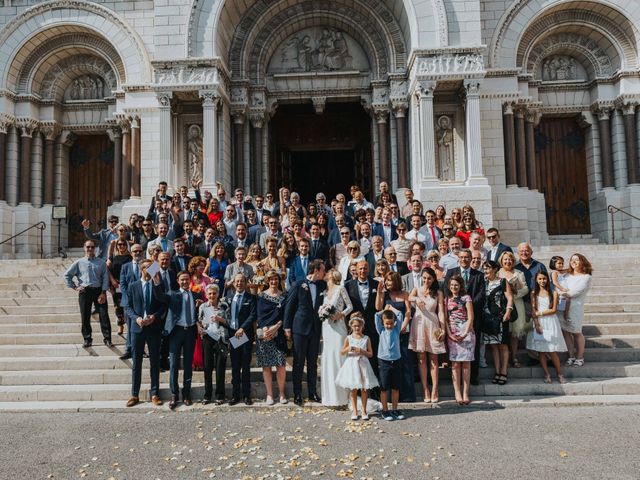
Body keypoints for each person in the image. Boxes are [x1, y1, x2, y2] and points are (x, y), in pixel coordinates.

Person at [153, 270, 200, 410]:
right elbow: (159, 296)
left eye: (187, 279)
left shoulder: (196, 295)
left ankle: (186, 393)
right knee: (173, 364)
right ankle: (174, 394)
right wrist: (156, 282)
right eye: (182, 280)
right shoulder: (173, 294)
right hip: (176, 332)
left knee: (187, 365)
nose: (185, 282)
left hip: (190, 332)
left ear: (190, 280)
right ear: (178, 281)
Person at [284, 259, 327, 406]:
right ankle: (297, 394)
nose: (324, 273)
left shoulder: (322, 285)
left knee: (313, 363)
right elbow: (289, 306)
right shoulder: (298, 284)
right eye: (323, 270)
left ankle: (312, 392)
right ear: (316, 270)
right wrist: (287, 327)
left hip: (315, 329)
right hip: (300, 329)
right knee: (298, 362)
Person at [124, 260, 165, 407]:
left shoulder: (157, 284)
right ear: (142, 269)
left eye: (153, 267)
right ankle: (135, 394)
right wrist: (137, 318)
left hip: (153, 327)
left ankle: (155, 393)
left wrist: (154, 316)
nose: (152, 269)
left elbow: (163, 303)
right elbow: (127, 306)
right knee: (137, 363)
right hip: (138, 328)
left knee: (155, 362)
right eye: (149, 267)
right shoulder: (133, 286)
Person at [444, 249, 485, 385]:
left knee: (473, 347)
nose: (464, 259)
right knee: (455, 349)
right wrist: (459, 305)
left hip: (473, 317)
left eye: (467, 257)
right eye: (462, 257)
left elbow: (481, 294)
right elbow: (446, 291)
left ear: (470, 258)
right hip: (454, 319)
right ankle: (457, 380)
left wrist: (468, 304)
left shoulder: (478, 275)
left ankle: (473, 377)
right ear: (458, 258)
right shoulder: (451, 272)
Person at [63, 240, 112, 348]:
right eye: (88, 247)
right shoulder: (79, 262)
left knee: (104, 315)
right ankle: (87, 339)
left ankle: (107, 339)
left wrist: (103, 292)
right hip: (85, 291)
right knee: (85, 316)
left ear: (95, 248)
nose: (90, 249)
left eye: (92, 247)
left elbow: (105, 279)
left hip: (99, 291)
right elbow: (67, 275)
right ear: (84, 248)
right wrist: (75, 287)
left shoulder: (101, 262)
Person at [375, 271, 415, 402]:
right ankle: (390, 398)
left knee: (405, 362)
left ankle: (407, 396)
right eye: (386, 280)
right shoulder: (385, 294)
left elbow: (408, 312)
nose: (387, 283)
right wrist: (380, 293)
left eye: (389, 280)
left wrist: (404, 325)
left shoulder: (405, 294)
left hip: (402, 332)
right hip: (388, 335)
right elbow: (378, 308)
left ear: (396, 281)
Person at [408, 268, 446, 403]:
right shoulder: (416, 289)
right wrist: (417, 298)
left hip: (433, 325)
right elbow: (408, 297)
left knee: (434, 358)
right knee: (422, 358)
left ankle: (435, 388)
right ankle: (425, 389)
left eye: (429, 278)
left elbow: (441, 312)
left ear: (434, 279)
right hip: (418, 325)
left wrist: (443, 329)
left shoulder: (438, 293)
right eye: (424, 278)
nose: (426, 280)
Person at [526, 271, 568, 383]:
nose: (542, 281)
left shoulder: (553, 293)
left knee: (552, 350)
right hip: (539, 323)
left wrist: (540, 313)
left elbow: (554, 309)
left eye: (544, 278)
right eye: (539, 279)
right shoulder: (534, 293)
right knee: (541, 351)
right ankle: (546, 374)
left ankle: (560, 374)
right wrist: (536, 323)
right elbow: (533, 310)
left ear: (547, 280)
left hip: (550, 321)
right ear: (536, 280)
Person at [320, 269, 353, 407]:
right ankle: (331, 397)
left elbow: (350, 306)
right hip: (327, 327)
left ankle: (344, 397)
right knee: (329, 358)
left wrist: (341, 315)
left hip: (338, 326)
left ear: (332, 276)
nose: (326, 275)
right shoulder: (325, 292)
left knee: (340, 357)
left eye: (328, 273)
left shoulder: (341, 289)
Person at [335, 315, 378, 420]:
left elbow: (371, 354)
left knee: (364, 389)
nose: (356, 328)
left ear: (362, 326)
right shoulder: (348, 338)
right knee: (353, 389)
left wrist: (362, 351)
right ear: (351, 327)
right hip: (352, 365)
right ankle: (354, 410)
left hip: (363, 364)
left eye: (358, 326)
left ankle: (364, 410)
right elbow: (341, 352)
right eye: (354, 326)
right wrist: (348, 348)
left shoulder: (366, 338)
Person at [256, 270, 288, 405]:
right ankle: (269, 394)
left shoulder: (284, 296)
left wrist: (276, 327)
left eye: (276, 279)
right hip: (264, 334)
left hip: (279, 333)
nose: (274, 282)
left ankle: (282, 394)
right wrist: (265, 330)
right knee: (266, 365)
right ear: (267, 281)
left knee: (280, 365)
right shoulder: (261, 296)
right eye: (271, 280)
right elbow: (259, 315)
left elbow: (286, 315)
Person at [225, 273, 257, 405]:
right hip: (233, 334)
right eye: (237, 281)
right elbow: (224, 314)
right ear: (233, 283)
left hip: (244, 334)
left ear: (245, 283)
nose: (239, 283)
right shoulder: (228, 298)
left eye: (242, 281)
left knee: (245, 364)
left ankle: (246, 395)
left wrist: (242, 328)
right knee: (235, 365)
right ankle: (235, 395)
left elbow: (253, 315)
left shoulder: (251, 298)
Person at [481, 260, 513, 386]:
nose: (486, 271)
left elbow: (510, 297)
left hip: (500, 317)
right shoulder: (484, 282)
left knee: (503, 345)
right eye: (484, 269)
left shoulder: (502, 281)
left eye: (488, 268)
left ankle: (504, 372)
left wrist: (508, 312)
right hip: (488, 318)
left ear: (495, 269)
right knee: (493, 345)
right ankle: (497, 371)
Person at [445, 275, 475, 405]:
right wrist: (449, 334)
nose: (454, 287)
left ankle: (465, 392)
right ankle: (457, 392)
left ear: (461, 285)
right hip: (452, 334)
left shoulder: (466, 298)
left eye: (456, 285)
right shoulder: (447, 300)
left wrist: (464, 333)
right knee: (455, 364)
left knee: (466, 364)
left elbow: (470, 317)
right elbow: (445, 319)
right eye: (451, 285)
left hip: (466, 332)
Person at [198, 283, 229, 405]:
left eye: (214, 293)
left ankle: (220, 395)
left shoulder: (224, 306)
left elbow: (230, 322)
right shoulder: (203, 306)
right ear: (206, 295)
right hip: (207, 338)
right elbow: (199, 321)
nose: (212, 295)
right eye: (209, 293)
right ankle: (207, 395)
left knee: (220, 368)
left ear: (218, 294)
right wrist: (200, 327)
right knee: (207, 367)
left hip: (221, 339)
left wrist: (220, 319)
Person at [559, 254, 593, 367]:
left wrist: (560, 293)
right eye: (572, 260)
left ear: (582, 262)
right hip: (563, 306)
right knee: (566, 332)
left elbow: (576, 292)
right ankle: (571, 356)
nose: (574, 262)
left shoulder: (586, 277)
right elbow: (559, 285)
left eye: (577, 260)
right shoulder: (567, 275)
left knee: (576, 332)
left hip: (575, 308)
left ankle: (580, 357)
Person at [375, 306, 407, 421]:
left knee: (395, 387)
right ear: (383, 323)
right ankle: (385, 410)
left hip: (396, 360)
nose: (389, 325)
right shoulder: (381, 330)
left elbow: (400, 315)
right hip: (384, 361)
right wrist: (385, 310)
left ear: (394, 323)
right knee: (384, 388)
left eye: (391, 323)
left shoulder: (396, 329)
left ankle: (394, 409)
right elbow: (377, 315)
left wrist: (391, 308)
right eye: (387, 323)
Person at [499, 251, 530, 368]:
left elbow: (525, 289)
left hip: (517, 304)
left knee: (515, 333)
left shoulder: (519, 273)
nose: (508, 261)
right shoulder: (498, 273)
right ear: (501, 261)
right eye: (506, 259)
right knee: (504, 332)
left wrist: (513, 294)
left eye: (510, 259)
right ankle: (504, 358)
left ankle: (514, 357)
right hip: (502, 305)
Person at [108, 238, 131, 336]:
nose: (121, 246)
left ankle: (129, 325)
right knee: (118, 306)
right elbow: (107, 270)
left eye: (124, 244)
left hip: (128, 285)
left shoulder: (130, 257)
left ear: (126, 246)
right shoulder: (113, 258)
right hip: (116, 284)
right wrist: (112, 280)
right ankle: (120, 325)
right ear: (117, 246)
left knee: (128, 305)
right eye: (119, 244)